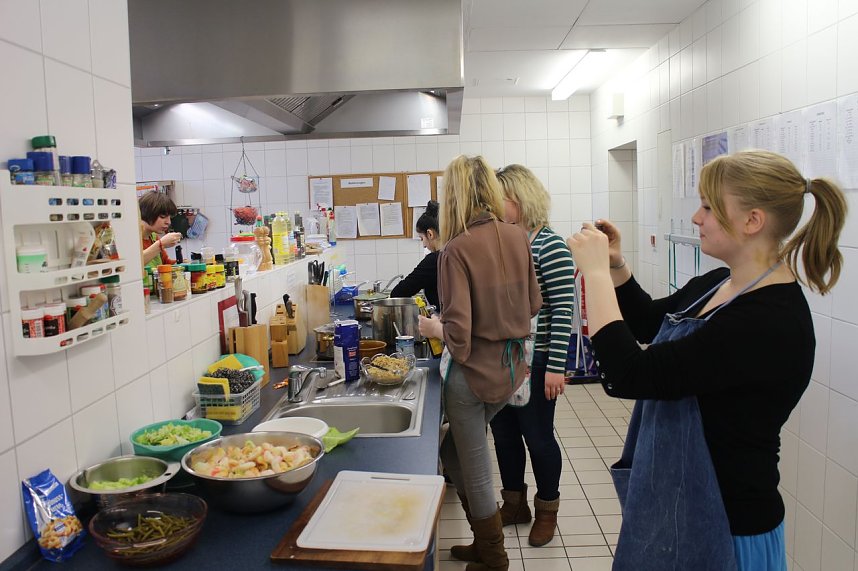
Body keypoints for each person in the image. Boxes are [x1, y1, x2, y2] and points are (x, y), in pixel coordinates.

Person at [565, 150, 847, 571]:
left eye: (709, 207)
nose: (697, 218)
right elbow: (647, 322)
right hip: (681, 510)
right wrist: (616, 266)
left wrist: (595, 275)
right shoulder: (721, 283)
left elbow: (630, 374)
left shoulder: (768, 321)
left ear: (752, 221)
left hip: (728, 528)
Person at [418, 155, 541, 571]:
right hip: (509, 371)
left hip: (471, 378)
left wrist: (434, 326)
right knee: (453, 451)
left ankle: (494, 558)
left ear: (452, 195)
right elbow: (534, 303)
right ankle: (482, 540)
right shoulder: (517, 235)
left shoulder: (455, 249)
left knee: (475, 467)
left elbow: (458, 337)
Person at [488, 164, 575, 547]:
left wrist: (556, 367)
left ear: (520, 199)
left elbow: (564, 310)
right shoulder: (509, 241)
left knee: (538, 438)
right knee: (504, 435)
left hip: (537, 361)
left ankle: (547, 510)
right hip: (504, 358)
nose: (495, 207)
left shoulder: (550, 245)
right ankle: (514, 504)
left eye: (501, 199)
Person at [389, 200, 441, 309]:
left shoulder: (434, 260)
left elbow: (399, 292)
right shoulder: (454, 252)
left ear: (430, 234)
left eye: (422, 238)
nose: (424, 245)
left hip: (443, 317)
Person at [139, 191, 182, 269]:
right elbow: (133, 264)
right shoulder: (131, 238)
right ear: (148, 213)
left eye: (169, 217)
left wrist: (182, 264)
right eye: (163, 216)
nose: (168, 222)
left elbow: (165, 263)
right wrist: (161, 245)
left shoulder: (153, 237)